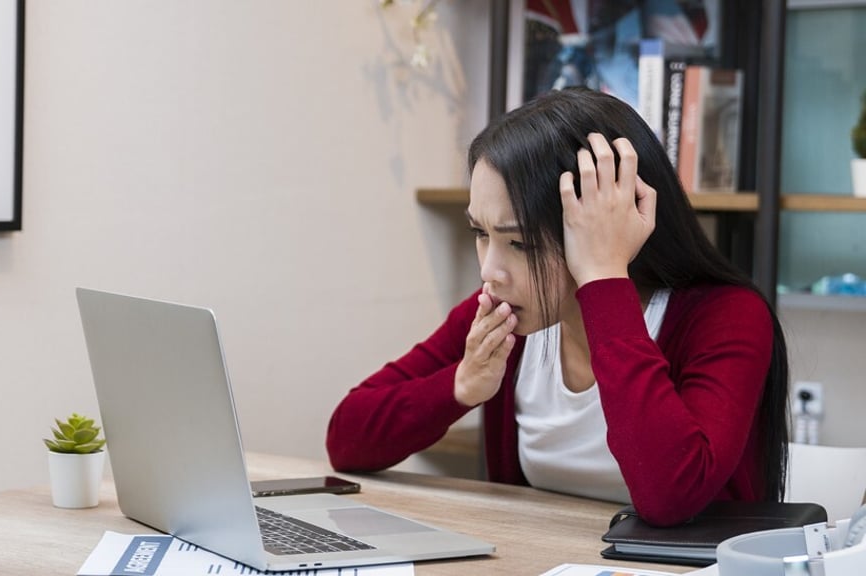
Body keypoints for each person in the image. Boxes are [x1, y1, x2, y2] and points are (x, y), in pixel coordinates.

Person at [325, 86, 789, 527]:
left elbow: (671, 494)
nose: (491, 270)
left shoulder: (727, 316)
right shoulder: (502, 312)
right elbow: (346, 439)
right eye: (481, 234)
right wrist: (461, 385)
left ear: (606, 226)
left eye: (521, 243)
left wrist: (605, 277)